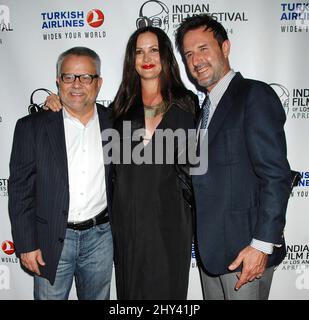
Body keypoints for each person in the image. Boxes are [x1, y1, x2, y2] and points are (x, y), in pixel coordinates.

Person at [45, 27, 199, 300]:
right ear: (132, 60)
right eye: (139, 51)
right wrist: (55, 103)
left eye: (154, 49)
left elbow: (198, 167)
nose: (147, 57)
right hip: (128, 223)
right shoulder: (119, 109)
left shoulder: (188, 105)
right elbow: (80, 111)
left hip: (172, 222)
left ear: (166, 55)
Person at [175, 14, 291, 300]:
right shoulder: (203, 111)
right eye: (189, 54)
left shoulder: (254, 95)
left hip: (246, 254)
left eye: (203, 49)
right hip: (211, 254)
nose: (196, 60)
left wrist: (262, 245)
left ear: (225, 47)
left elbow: (276, 176)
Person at [8, 47, 113, 300]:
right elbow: (20, 190)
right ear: (58, 81)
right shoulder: (31, 127)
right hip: (50, 239)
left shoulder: (116, 122)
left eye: (86, 77)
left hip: (101, 237)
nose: (77, 85)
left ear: (98, 83)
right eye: (69, 77)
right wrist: (26, 244)